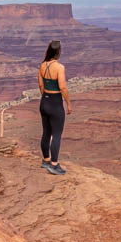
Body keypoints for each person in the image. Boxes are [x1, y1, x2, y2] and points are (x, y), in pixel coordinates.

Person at [38, 40, 71, 175]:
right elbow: (62, 87)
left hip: (44, 101)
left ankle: (46, 160)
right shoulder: (59, 67)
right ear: (58, 52)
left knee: (46, 132)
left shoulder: (42, 65)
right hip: (55, 102)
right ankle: (54, 165)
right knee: (56, 134)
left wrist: (45, 98)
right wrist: (68, 103)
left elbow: (41, 86)